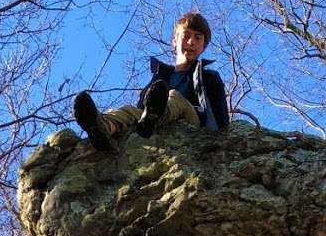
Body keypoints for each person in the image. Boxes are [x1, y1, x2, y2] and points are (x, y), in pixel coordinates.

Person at [73, 12, 230, 151]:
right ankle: (103, 127)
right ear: (175, 41)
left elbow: (221, 118)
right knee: (129, 109)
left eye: (197, 38)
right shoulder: (161, 76)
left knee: (175, 96)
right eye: (186, 35)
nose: (191, 42)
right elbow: (140, 109)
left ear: (203, 47)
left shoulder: (209, 78)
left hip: (193, 125)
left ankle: (154, 117)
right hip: (148, 122)